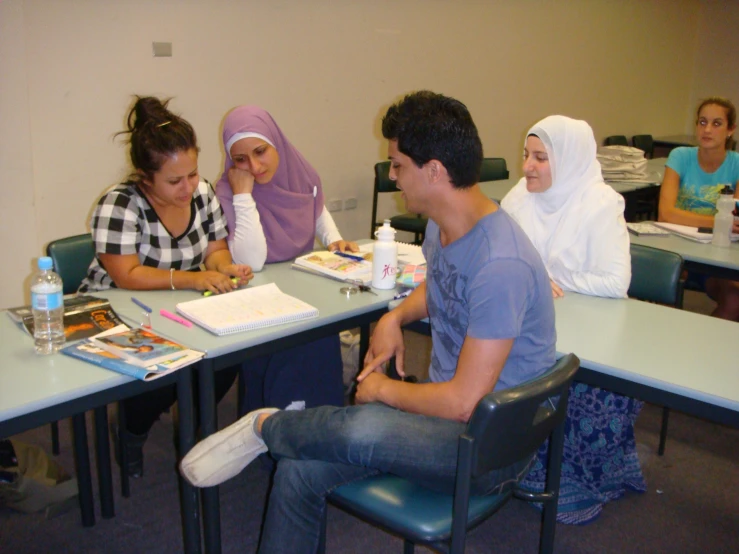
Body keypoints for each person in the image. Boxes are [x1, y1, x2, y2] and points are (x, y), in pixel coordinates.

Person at [180, 91, 556, 553]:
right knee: (299, 471)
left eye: (398, 165)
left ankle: (266, 427)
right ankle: (280, 430)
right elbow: (443, 288)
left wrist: (383, 392)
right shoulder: (446, 223)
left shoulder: (502, 263)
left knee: (363, 423)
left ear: (434, 171)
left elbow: (463, 403)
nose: (393, 177)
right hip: (444, 423)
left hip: (487, 448)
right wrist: (396, 315)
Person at [80, 96, 254, 477]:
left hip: (176, 306)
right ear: (145, 178)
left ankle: (190, 430)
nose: (188, 186)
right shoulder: (119, 203)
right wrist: (193, 279)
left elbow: (215, 250)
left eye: (193, 173)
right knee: (159, 365)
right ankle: (131, 429)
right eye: (175, 180)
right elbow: (127, 274)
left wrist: (227, 269)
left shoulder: (202, 193)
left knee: (230, 353)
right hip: (118, 309)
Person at [502, 115, 642, 524]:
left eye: (541, 158)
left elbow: (617, 282)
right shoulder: (519, 196)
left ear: (569, 160)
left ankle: (571, 482)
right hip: (537, 321)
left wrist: (549, 277)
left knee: (568, 379)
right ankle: (513, 466)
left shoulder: (600, 203)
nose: (527, 166)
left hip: (592, 333)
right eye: (527, 155)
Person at [214, 106, 357, 411]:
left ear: (275, 141)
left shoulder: (301, 172)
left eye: (260, 151)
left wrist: (334, 239)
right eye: (240, 159)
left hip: (300, 281)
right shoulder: (228, 190)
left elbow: (316, 209)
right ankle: (276, 424)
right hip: (258, 294)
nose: (254, 166)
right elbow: (251, 261)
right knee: (281, 355)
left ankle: (321, 414)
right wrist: (243, 195)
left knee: (319, 336)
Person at [658, 96, 739, 321]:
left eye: (716, 123)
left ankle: (704, 347)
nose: (707, 130)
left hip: (717, 254)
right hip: (677, 249)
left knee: (734, 299)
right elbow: (666, 213)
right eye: (702, 122)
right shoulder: (680, 157)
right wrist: (719, 221)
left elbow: (735, 220)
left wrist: (724, 222)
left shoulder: (737, 164)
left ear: (730, 129)